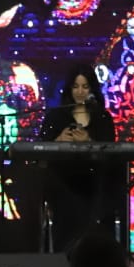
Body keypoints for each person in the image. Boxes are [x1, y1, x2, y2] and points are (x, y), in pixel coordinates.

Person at [38, 63, 118, 252]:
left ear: (92, 89)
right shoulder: (56, 117)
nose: (80, 92)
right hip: (64, 185)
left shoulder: (102, 118)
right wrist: (58, 141)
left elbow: (111, 152)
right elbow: (41, 151)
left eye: (85, 86)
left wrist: (88, 142)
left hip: (95, 186)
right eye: (75, 87)